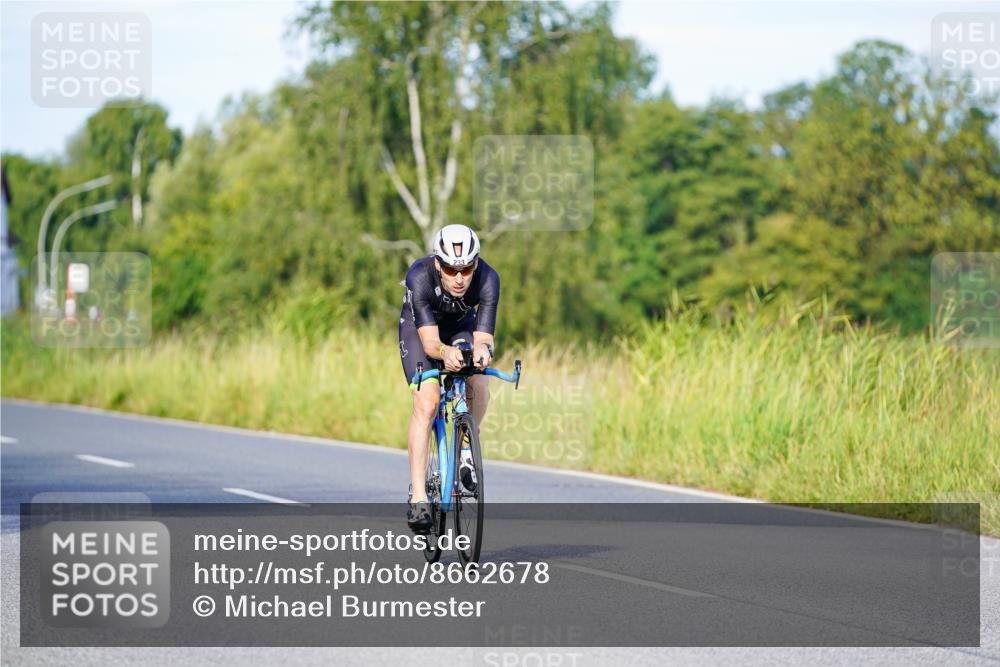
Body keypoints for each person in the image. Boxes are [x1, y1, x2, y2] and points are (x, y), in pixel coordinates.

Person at [398, 224, 499, 533]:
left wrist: (484, 352)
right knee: (427, 403)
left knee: (479, 380)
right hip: (421, 331)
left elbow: (484, 337)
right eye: (451, 269)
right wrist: (444, 352)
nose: (459, 278)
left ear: (477, 264)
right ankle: (418, 496)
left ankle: (467, 451)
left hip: (460, 326)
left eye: (467, 269)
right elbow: (430, 344)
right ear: (437, 263)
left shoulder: (489, 279)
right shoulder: (420, 274)